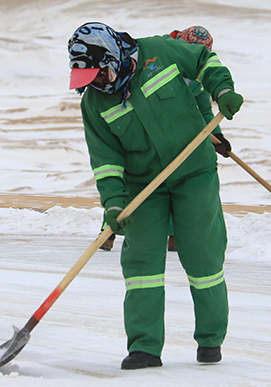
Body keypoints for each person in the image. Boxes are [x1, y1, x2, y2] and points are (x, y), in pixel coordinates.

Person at [69, 22, 244, 369]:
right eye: (87, 78)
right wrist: (114, 202)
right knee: (141, 266)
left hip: (193, 172)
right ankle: (144, 348)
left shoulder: (159, 52)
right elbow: (105, 160)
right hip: (142, 187)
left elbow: (204, 63)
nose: (94, 83)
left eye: (96, 74)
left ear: (111, 58)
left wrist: (222, 90)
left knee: (203, 256)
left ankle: (210, 340)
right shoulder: (93, 103)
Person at [98, 25, 232, 253]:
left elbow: (203, 107)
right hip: (145, 133)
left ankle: (174, 235)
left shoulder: (196, 72)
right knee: (133, 182)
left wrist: (217, 135)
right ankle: (107, 233)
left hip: (179, 136)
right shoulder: (164, 56)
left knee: (176, 184)